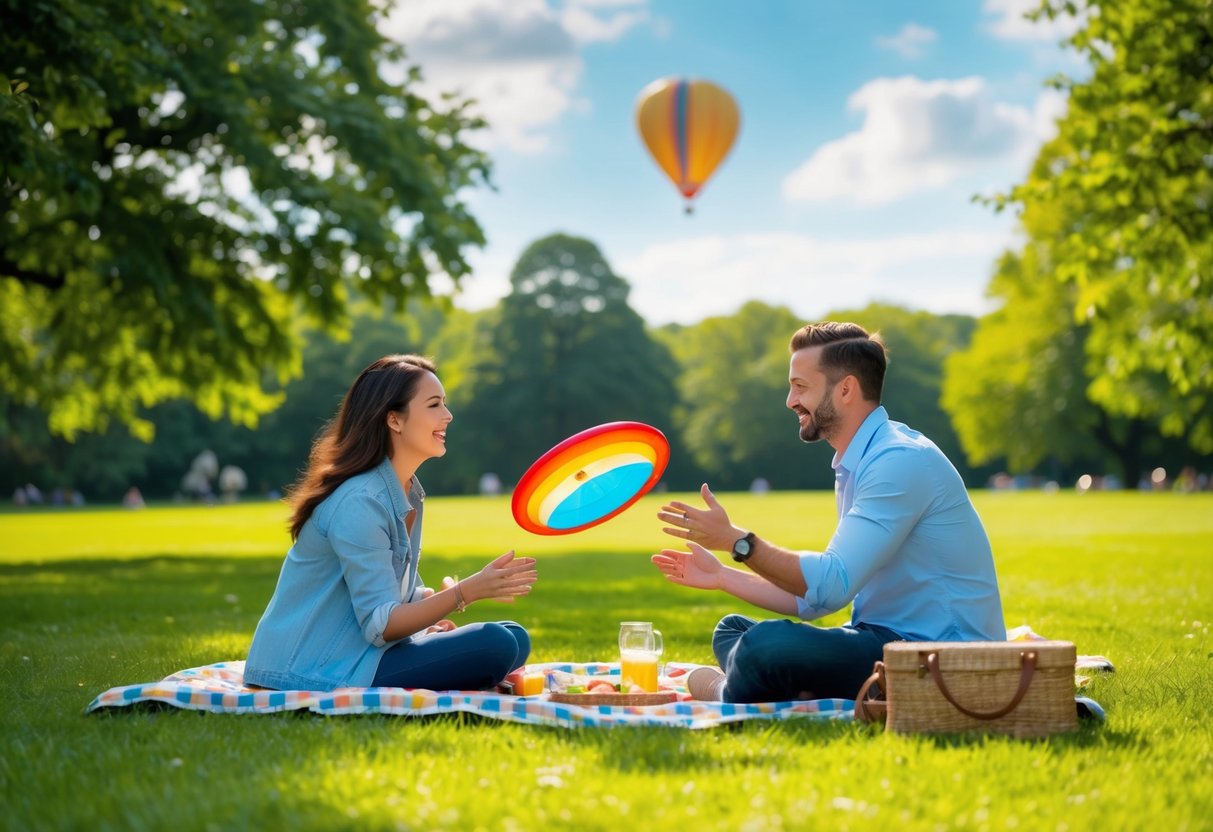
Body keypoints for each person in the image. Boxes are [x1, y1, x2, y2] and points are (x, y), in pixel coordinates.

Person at [652, 322, 1004, 703]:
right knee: (731, 629)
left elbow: (830, 584)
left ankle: (727, 688)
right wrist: (722, 575)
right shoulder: (858, 461)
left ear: (846, 389)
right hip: (886, 643)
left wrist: (737, 542)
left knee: (764, 646)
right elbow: (817, 600)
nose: (790, 400)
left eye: (800, 386)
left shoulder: (898, 461)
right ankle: (782, 683)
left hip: (942, 659)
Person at [245, 354, 538, 692]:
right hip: (314, 668)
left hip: (363, 654)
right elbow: (381, 624)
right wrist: (464, 592)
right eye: (434, 405)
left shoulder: (407, 492)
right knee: (494, 644)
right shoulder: (361, 501)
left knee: (515, 638)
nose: (448, 415)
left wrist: (428, 613)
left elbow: (392, 597)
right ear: (395, 420)